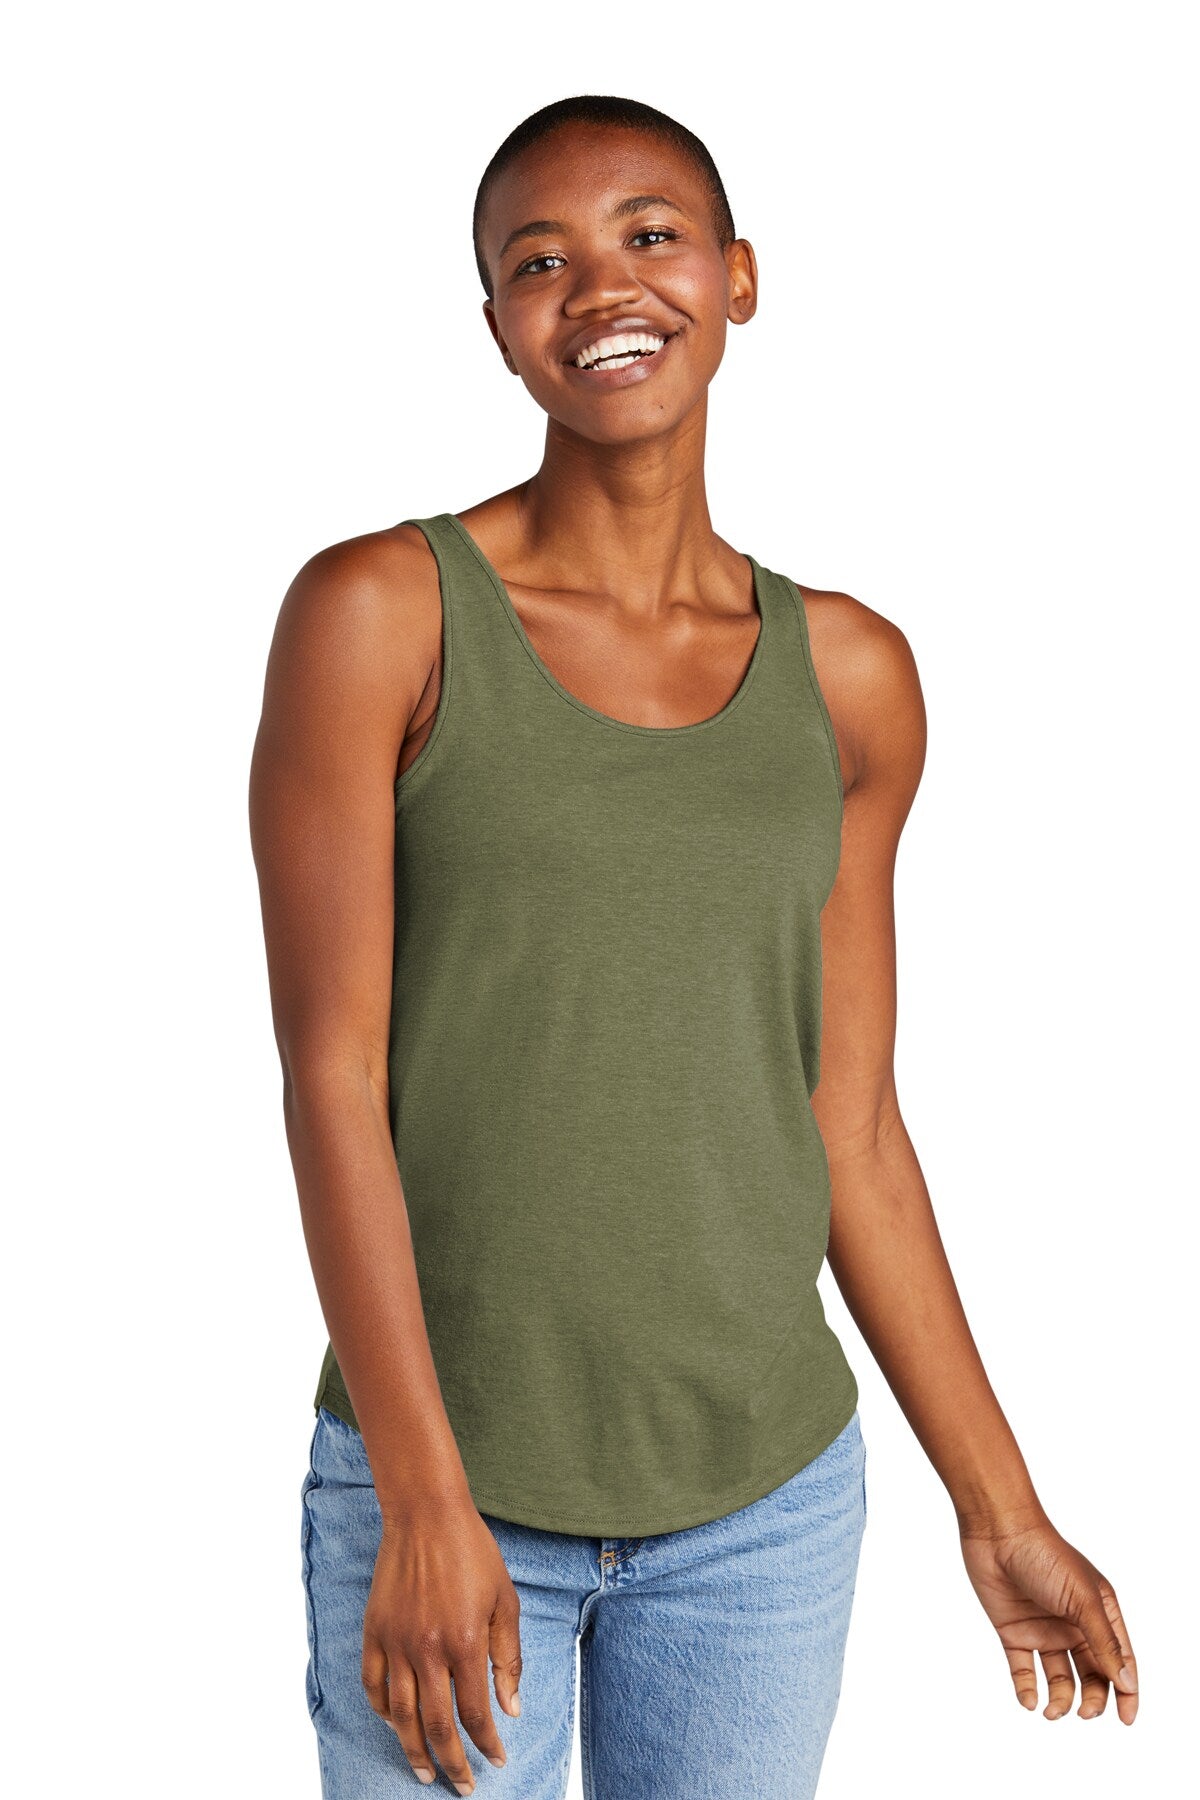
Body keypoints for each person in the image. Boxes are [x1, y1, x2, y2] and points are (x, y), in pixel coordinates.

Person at [249, 93, 1139, 1800]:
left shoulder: (852, 676)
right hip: (450, 1486)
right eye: (540, 261)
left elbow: (847, 1124)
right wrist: (423, 1501)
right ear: (498, 326)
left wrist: (1000, 1503)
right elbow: (330, 1077)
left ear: (738, 278)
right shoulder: (380, 617)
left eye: (649, 236)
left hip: (761, 1514)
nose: (602, 287)